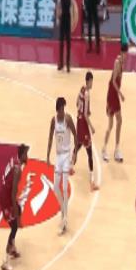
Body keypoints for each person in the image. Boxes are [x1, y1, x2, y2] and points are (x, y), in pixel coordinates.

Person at [47, 97, 77, 235]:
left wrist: (75, 154)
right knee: (55, 187)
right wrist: (48, 155)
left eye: (64, 108)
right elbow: (50, 138)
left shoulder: (68, 119)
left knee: (65, 188)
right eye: (62, 108)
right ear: (58, 109)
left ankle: (64, 219)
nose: (63, 110)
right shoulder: (53, 120)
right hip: (58, 156)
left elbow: (76, 136)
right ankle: (63, 210)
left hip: (66, 156)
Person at [0, 144, 29, 270]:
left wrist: (17, 209)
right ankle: (5, 262)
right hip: (5, 199)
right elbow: (13, 193)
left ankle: (12, 248)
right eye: (26, 154)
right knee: (14, 226)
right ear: (22, 156)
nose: (27, 157)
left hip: (5, 194)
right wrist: (15, 211)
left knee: (19, 211)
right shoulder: (18, 171)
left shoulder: (14, 161)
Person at [102, 44, 127, 162]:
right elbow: (113, 81)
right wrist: (120, 94)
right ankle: (115, 149)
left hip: (113, 94)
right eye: (125, 54)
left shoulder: (122, 63)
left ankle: (106, 148)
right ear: (122, 53)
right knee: (119, 121)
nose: (126, 56)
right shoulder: (117, 63)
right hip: (113, 94)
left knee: (112, 125)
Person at [74, 71, 99, 191]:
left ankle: (70, 165)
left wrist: (84, 110)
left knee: (79, 144)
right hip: (83, 123)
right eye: (92, 81)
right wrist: (92, 127)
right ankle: (92, 182)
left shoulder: (81, 89)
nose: (92, 83)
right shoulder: (87, 94)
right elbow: (85, 114)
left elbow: (76, 103)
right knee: (89, 151)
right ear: (89, 81)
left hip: (78, 121)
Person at [56, 0, 76, 72]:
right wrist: (57, 18)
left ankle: (68, 64)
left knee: (68, 42)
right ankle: (61, 63)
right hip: (62, 18)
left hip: (68, 18)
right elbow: (58, 6)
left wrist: (72, 20)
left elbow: (72, 7)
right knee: (61, 42)